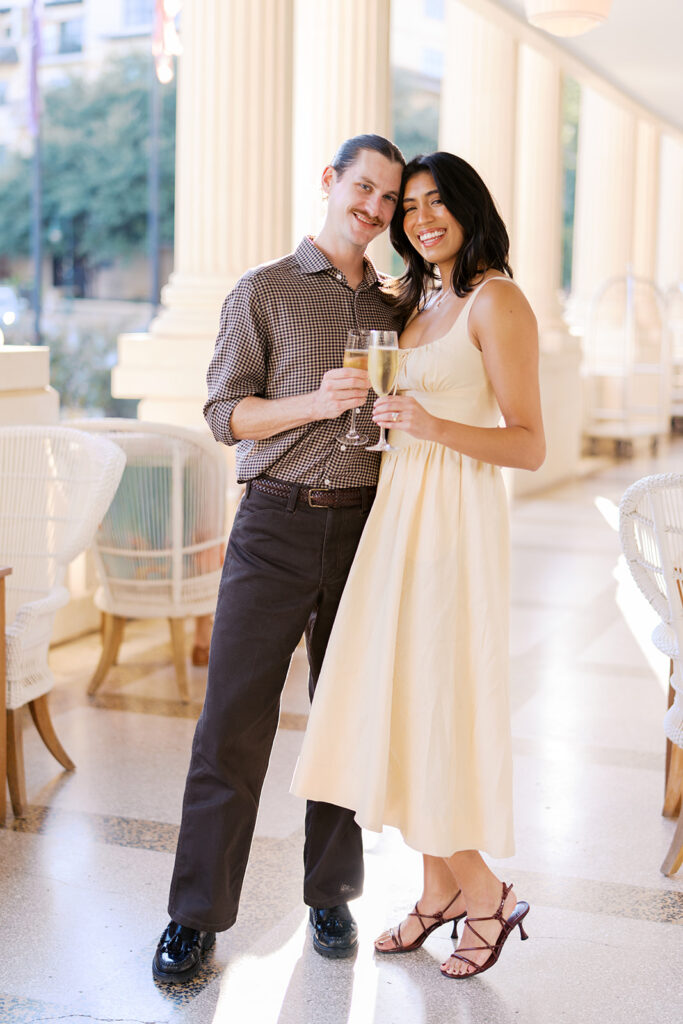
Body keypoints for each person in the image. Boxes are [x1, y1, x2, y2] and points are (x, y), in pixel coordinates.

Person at [152, 134, 405, 984]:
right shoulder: (262, 291)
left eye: (387, 201)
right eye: (362, 189)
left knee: (343, 716)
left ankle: (330, 894)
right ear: (330, 182)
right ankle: (193, 918)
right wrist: (313, 401)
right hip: (273, 525)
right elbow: (224, 414)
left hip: (365, 526)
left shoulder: (398, 308)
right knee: (231, 722)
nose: (372, 210)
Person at [291, 151, 545, 979]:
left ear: (471, 210)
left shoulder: (496, 300)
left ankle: (484, 894)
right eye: (410, 207)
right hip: (397, 514)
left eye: (438, 203)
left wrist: (431, 425)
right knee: (398, 704)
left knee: (431, 701)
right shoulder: (418, 301)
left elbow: (529, 443)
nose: (420, 217)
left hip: (452, 527)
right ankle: (436, 891)